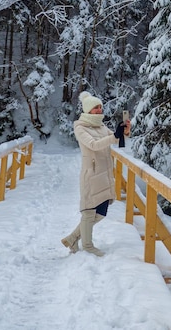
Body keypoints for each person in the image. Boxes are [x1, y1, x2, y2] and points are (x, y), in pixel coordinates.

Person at [61, 91, 130, 256]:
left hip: (104, 174)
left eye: (100, 106)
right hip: (91, 175)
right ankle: (87, 245)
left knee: (101, 212)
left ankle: (72, 238)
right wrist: (114, 136)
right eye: (96, 107)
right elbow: (93, 145)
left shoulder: (101, 126)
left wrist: (124, 132)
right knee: (89, 211)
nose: (99, 109)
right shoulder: (80, 127)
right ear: (88, 110)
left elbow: (116, 141)